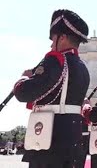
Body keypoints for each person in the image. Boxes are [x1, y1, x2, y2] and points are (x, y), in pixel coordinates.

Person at [13, 9, 90, 168]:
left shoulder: (56, 60)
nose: (51, 43)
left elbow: (23, 93)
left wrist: (25, 78)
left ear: (62, 37)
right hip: (73, 139)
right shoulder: (83, 68)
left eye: (53, 37)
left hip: (50, 141)